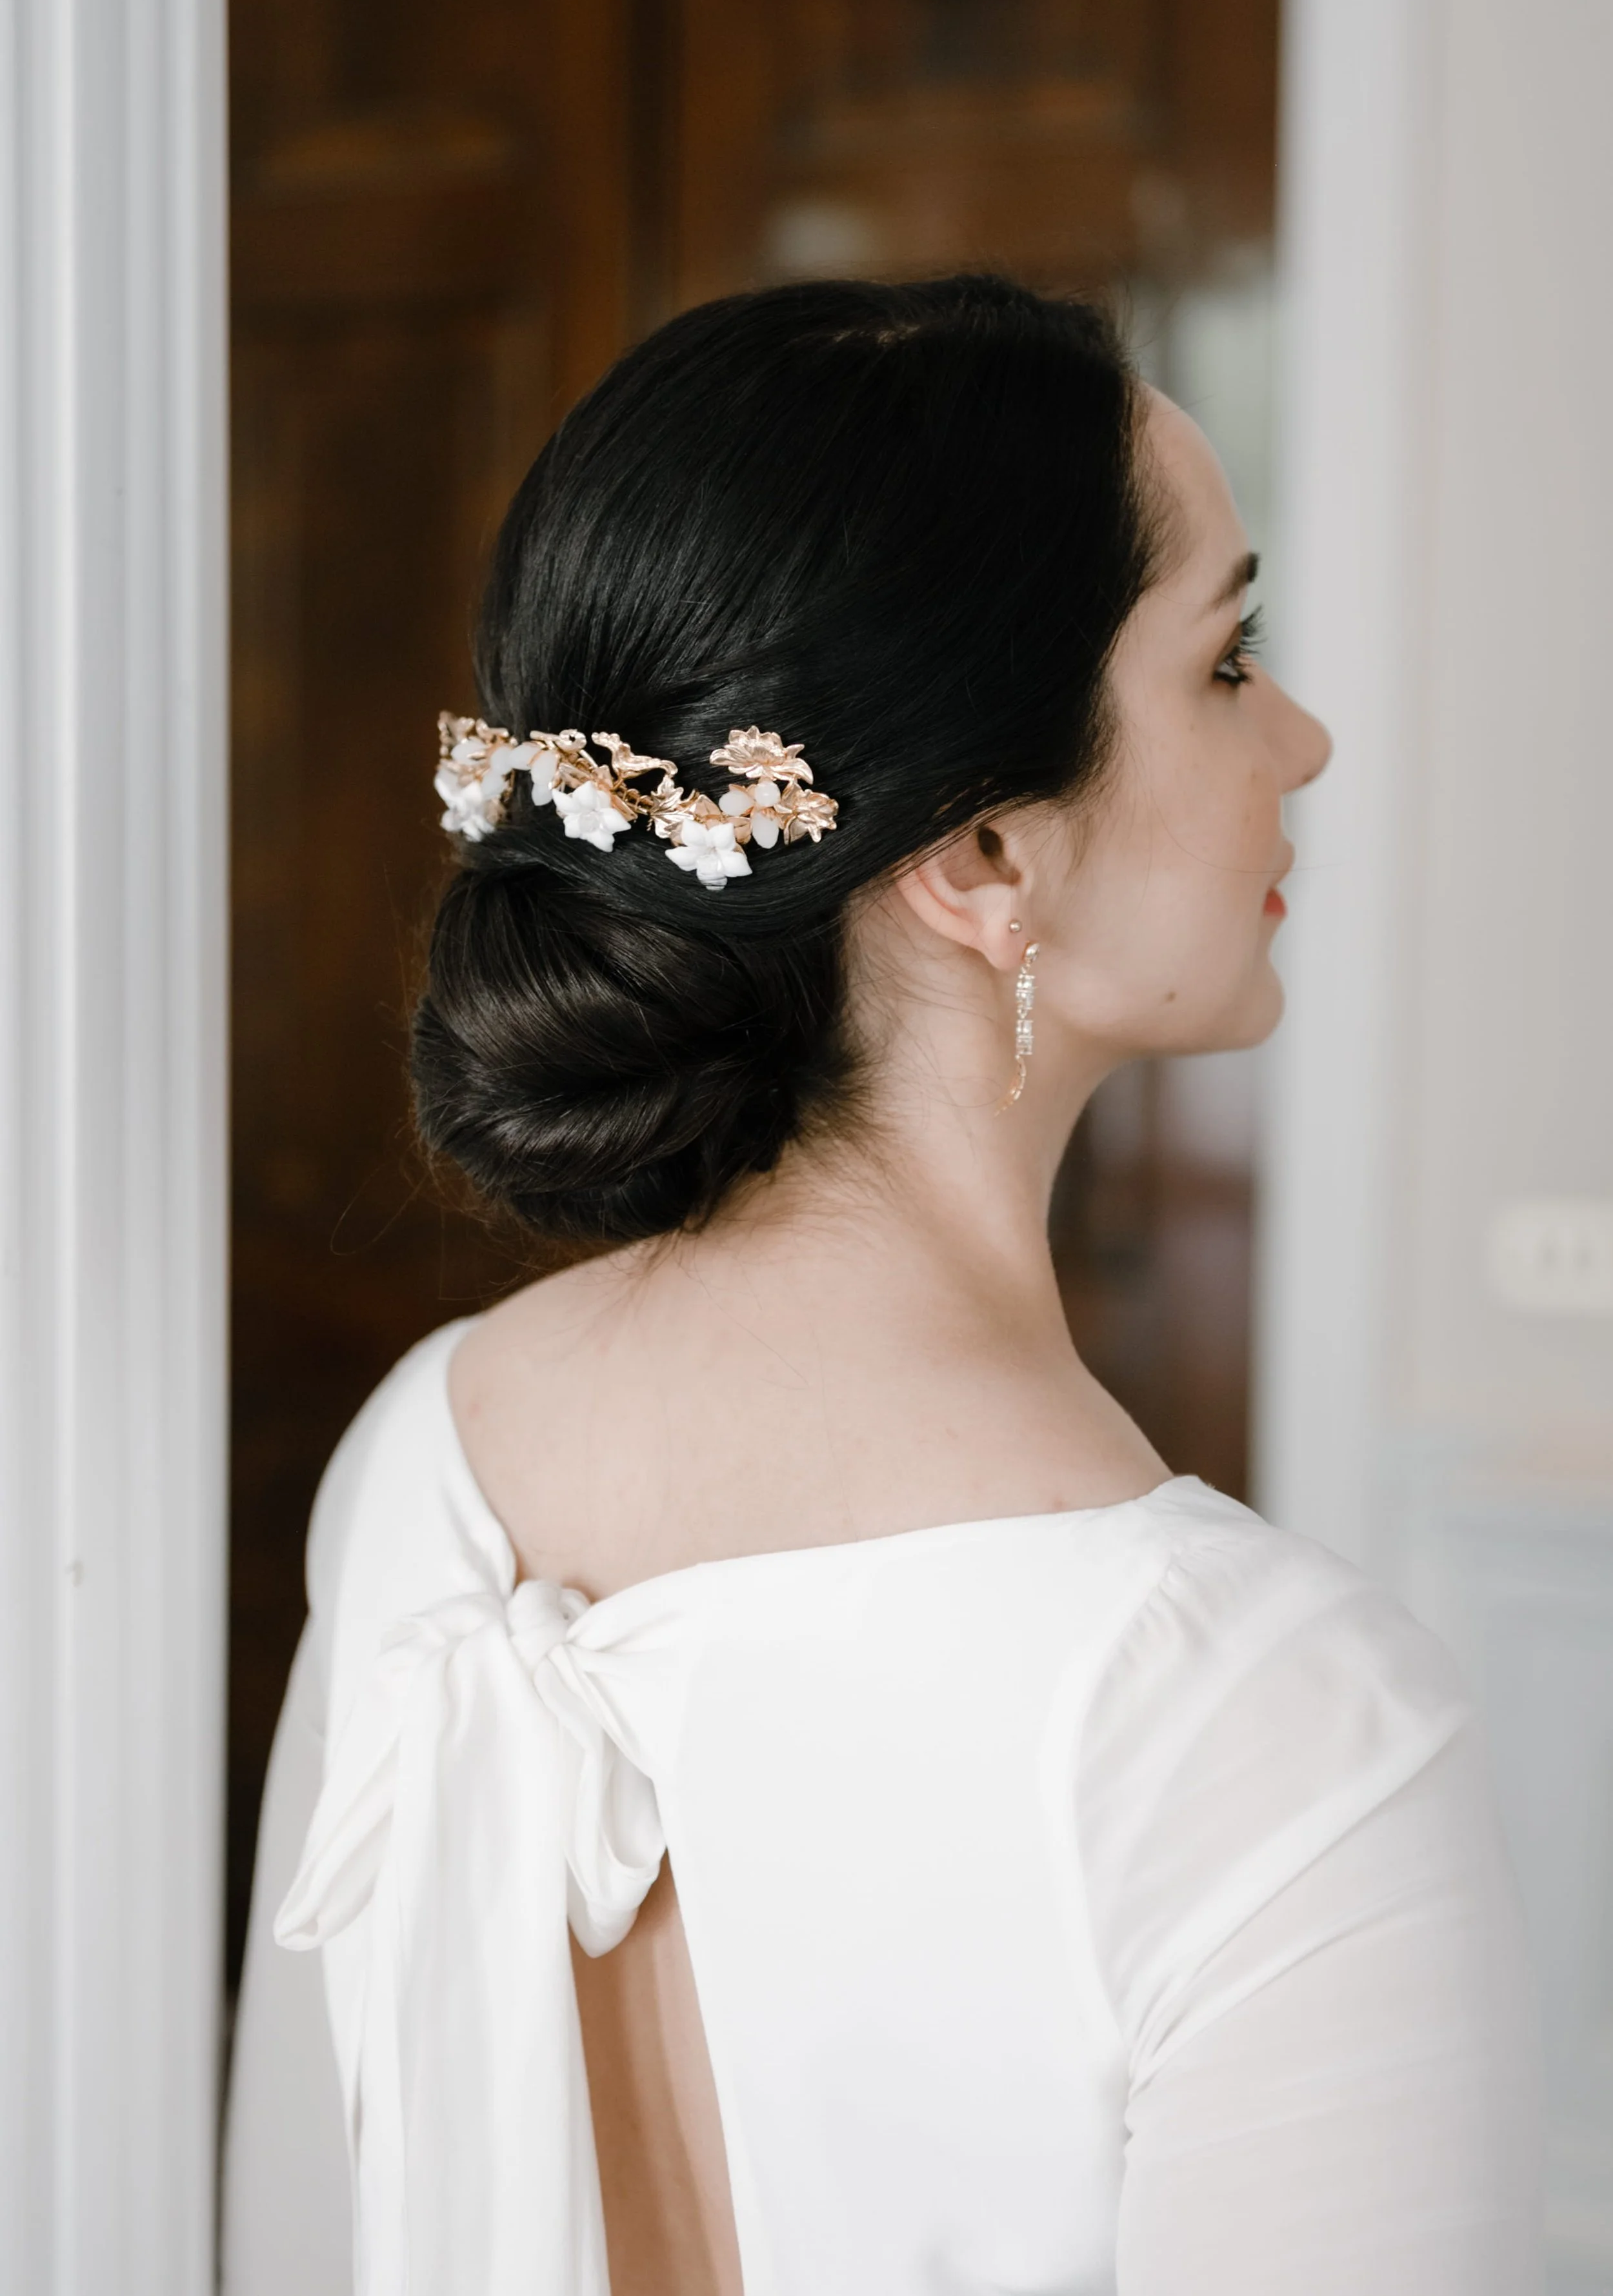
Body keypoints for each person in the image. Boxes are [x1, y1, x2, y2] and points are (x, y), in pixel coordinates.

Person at [221, 276, 1540, 2296]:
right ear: (984, 856)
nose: (1303, 736)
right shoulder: (1269, 1730)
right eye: (1226, 658)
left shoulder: (439, 1442)